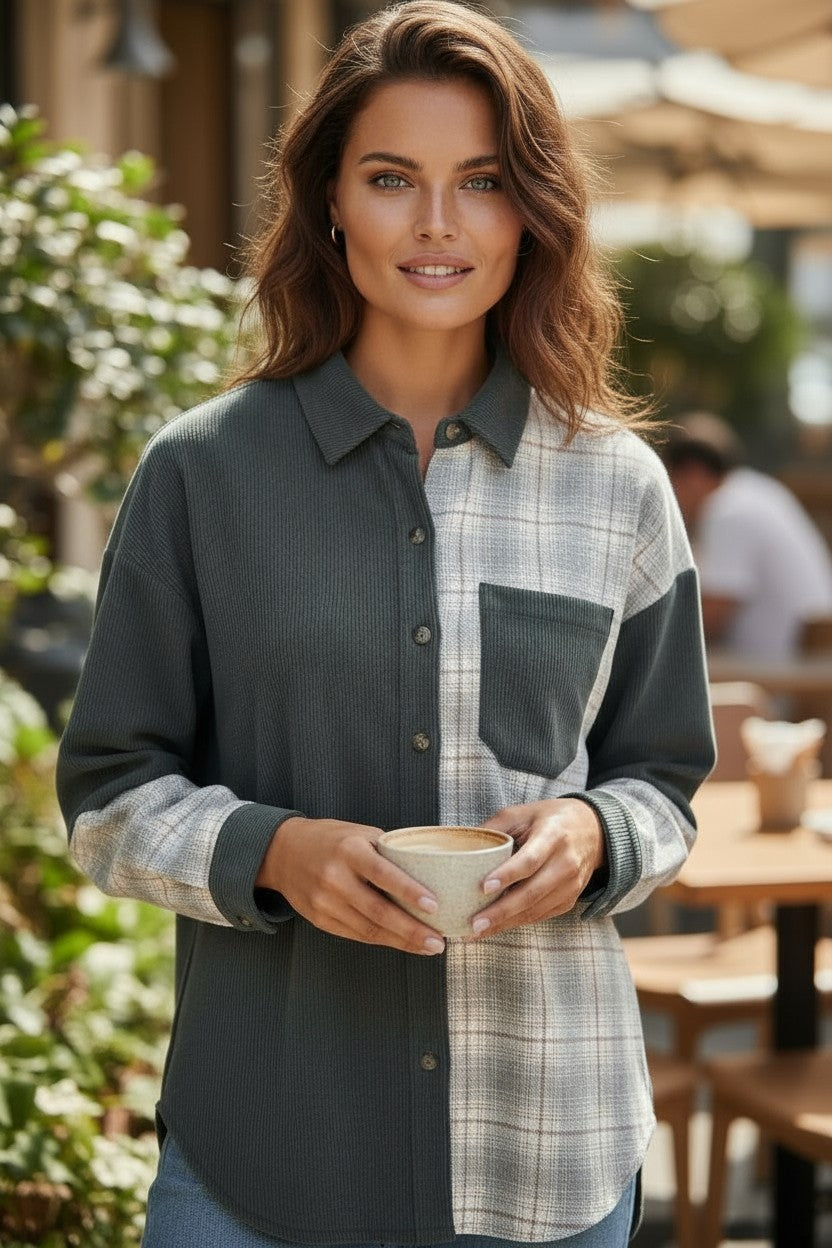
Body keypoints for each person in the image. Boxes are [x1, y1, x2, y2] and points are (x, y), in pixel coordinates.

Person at [56, 3, 715, 1245]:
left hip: (548, 1154)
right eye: (390, 178)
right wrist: (274, 853)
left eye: (481, 181)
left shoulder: (616, 485)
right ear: (328, 205)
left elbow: (666, 789)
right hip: (263, 1155)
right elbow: (104, 795)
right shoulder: (200, 477)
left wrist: (590, 832)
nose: (436, 224)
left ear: (531, 209)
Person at [664, 412, 832, 659]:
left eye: (669, 481)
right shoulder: (756, 491)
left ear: (693, 473)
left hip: (782, 682)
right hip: (803, 669)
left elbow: (703, 621)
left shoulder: (728, 510)